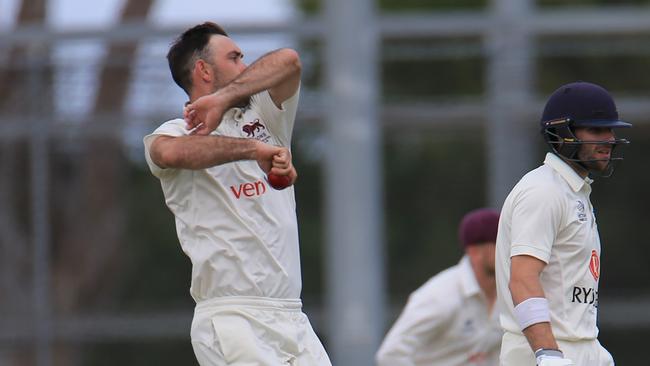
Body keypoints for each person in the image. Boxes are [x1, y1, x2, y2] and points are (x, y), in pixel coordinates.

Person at [143, 22, 331, 365]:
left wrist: (224, 97)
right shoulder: (173, 133)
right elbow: (169, 154)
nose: (245, 66)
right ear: (203, 70)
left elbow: (289, 61)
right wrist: (253, 150)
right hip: (234, 318)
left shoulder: (264, 117)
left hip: (292, 317)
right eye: (235, 58)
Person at [495, 81, 632, 366]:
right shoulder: (543, 191)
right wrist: (548, 354)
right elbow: (522, 278)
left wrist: (591, 350)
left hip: (578, 348)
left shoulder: (575, 193)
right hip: (544, 352)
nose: (608, 139)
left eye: (610, 129)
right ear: (562, 133)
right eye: (596, 130)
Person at [376, 208, 503, 366]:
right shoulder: (441, 296)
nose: (508, 249)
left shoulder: (510, 292)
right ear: (475, 252)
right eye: (500, 242)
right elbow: (391, 354)